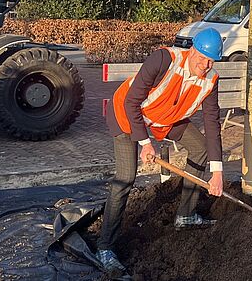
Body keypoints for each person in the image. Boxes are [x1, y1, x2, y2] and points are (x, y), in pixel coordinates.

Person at [96, 28, 225, 276]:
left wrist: (217, 172)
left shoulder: (211, 79)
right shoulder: (164, 60)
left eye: (212, 60)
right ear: (192, 50)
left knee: (199, 148)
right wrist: (144, 143)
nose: (206, 65)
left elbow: (212, 122)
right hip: (126, 114)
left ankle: (186, 215)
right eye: (202, 57)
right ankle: (105, 247)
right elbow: (132, 101)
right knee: (125, 178)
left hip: (163, 118)